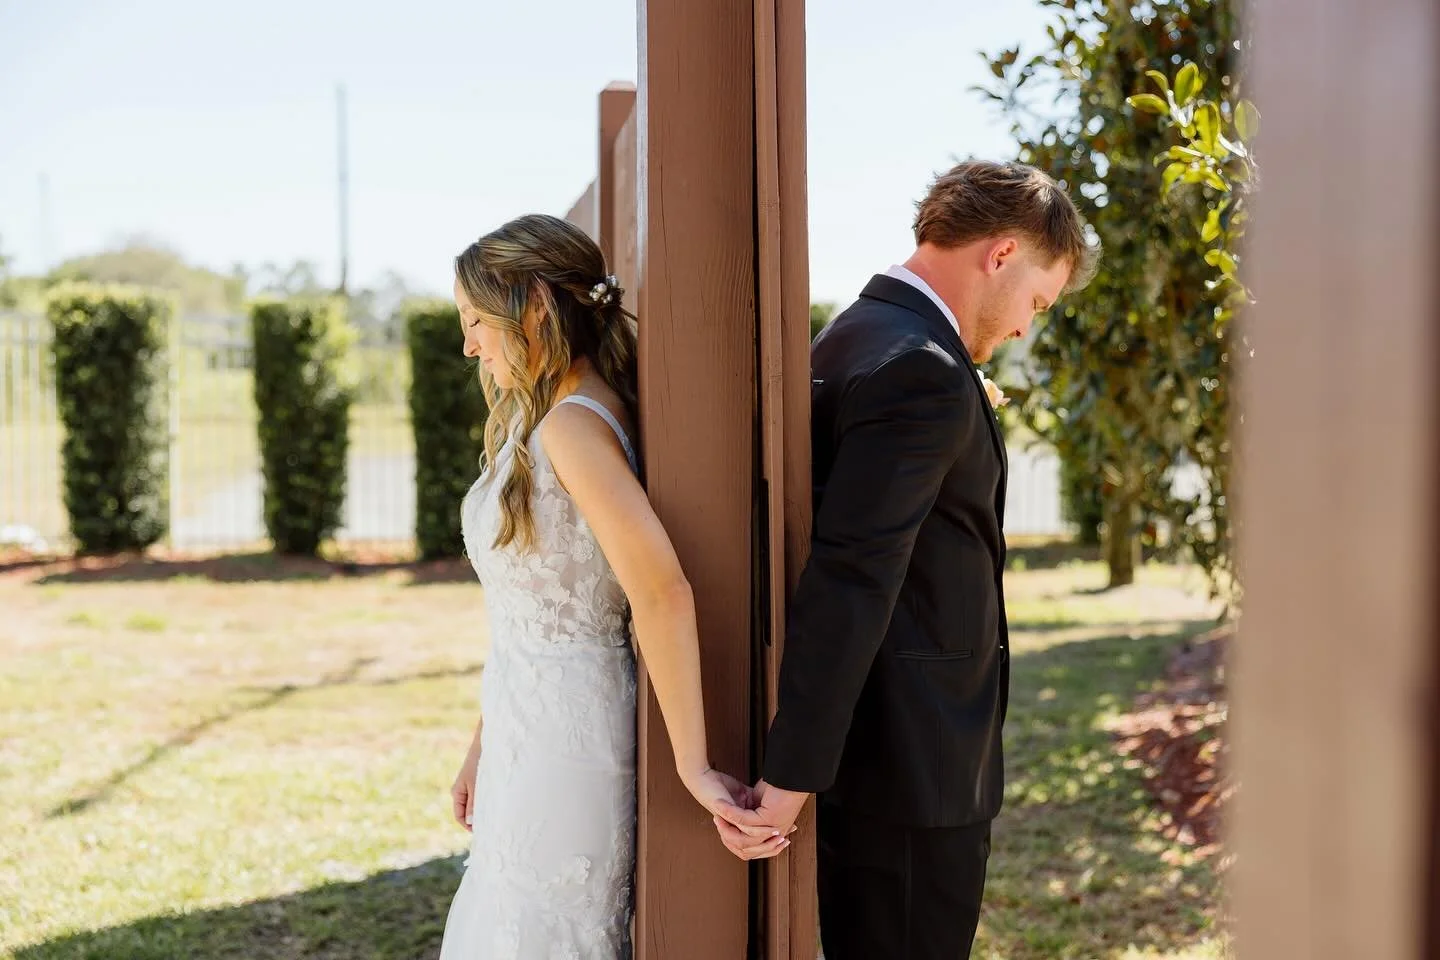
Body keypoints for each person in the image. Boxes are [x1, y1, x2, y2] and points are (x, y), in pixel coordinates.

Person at [716, 161, 1097, 958]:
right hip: (914, 774)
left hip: (888, 761)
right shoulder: (920, 368)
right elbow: (852, 577)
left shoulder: (855, 332)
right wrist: (789, 783)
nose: (1027, 326)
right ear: (1001, 255)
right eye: (1037, 300)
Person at [438, 214, 766, 959]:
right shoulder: (550, 418)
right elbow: (528, 615)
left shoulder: (574, 431)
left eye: (476, 322)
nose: (469, 345)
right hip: (525, 726)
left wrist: (693, 764)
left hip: (567, 744)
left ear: (535, 311)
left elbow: (660, 590)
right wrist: (481, 745)